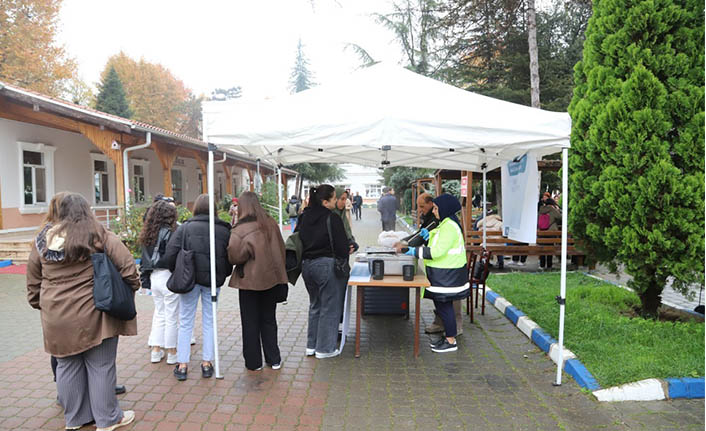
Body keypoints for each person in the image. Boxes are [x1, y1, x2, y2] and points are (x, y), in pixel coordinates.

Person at [27, 193, 138, 431]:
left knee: (66, 365)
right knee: (101, 365)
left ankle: (75, 419)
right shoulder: (98, 234)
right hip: (95, 313)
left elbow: (32, 284)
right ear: (86, 210)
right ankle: (108, 419)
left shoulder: (42, 240)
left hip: (56, 317)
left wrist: (44, 306)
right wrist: (129, 289)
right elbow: (128, 266)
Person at [162, 194, 233, 381]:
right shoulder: (224, 230)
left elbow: (170, 254)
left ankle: (183, 364)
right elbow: (229, 258)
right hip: (213, 281)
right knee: (210, 322)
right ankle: (207, 363)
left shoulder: (185, 228)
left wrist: (177, 270)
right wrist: (222, 274)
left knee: (185, 321)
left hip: (189, 280)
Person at [228, 192, 289, 371]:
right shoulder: (270, 223)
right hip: (272, 279)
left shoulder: (240, 230)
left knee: (250, 322)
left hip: (249, 282)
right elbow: (281, 248)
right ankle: (274, 359)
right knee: (269, 320)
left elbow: (234, 256)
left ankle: (253, 362)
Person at [403, 194, 469, 353]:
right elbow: (438, 240)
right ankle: (448, 338)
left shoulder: (450, 226)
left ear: (445, 209)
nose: (435, 210)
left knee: (445, 307)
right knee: (442, 306)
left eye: (437, 208)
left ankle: (451, 341)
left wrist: (413, 251)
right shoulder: (445, 224)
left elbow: (437, 251)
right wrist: (429, 235)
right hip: (443, 275)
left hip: (448, 276)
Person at [296, 185, 350, 359]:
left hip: (306, 266)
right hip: (326, 266)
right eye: (334, 198)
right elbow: (342, 245)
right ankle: (325, 349)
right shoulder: (332, 218)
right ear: (325, 201)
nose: (336, 201)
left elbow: (297, 239)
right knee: (329, 307)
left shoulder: (303, 216)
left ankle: (311, 346)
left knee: (315, 305)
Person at [139, 200, 179, 365]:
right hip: (167, 276)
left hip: (154, 277)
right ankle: (172, 352)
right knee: (171, 316)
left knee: (159, 313)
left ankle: (156, 350)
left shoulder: (148, 233)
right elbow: (172, 257)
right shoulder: (171, 233)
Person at [538, 198, 562, 269]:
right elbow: (559, 217)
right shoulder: (552, 209)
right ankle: (549, 265)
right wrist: (557, 210)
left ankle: (542, 265)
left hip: (541, 231)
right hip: (551, 231)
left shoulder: (541, 210)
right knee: (550, 248)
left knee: (542, 248)